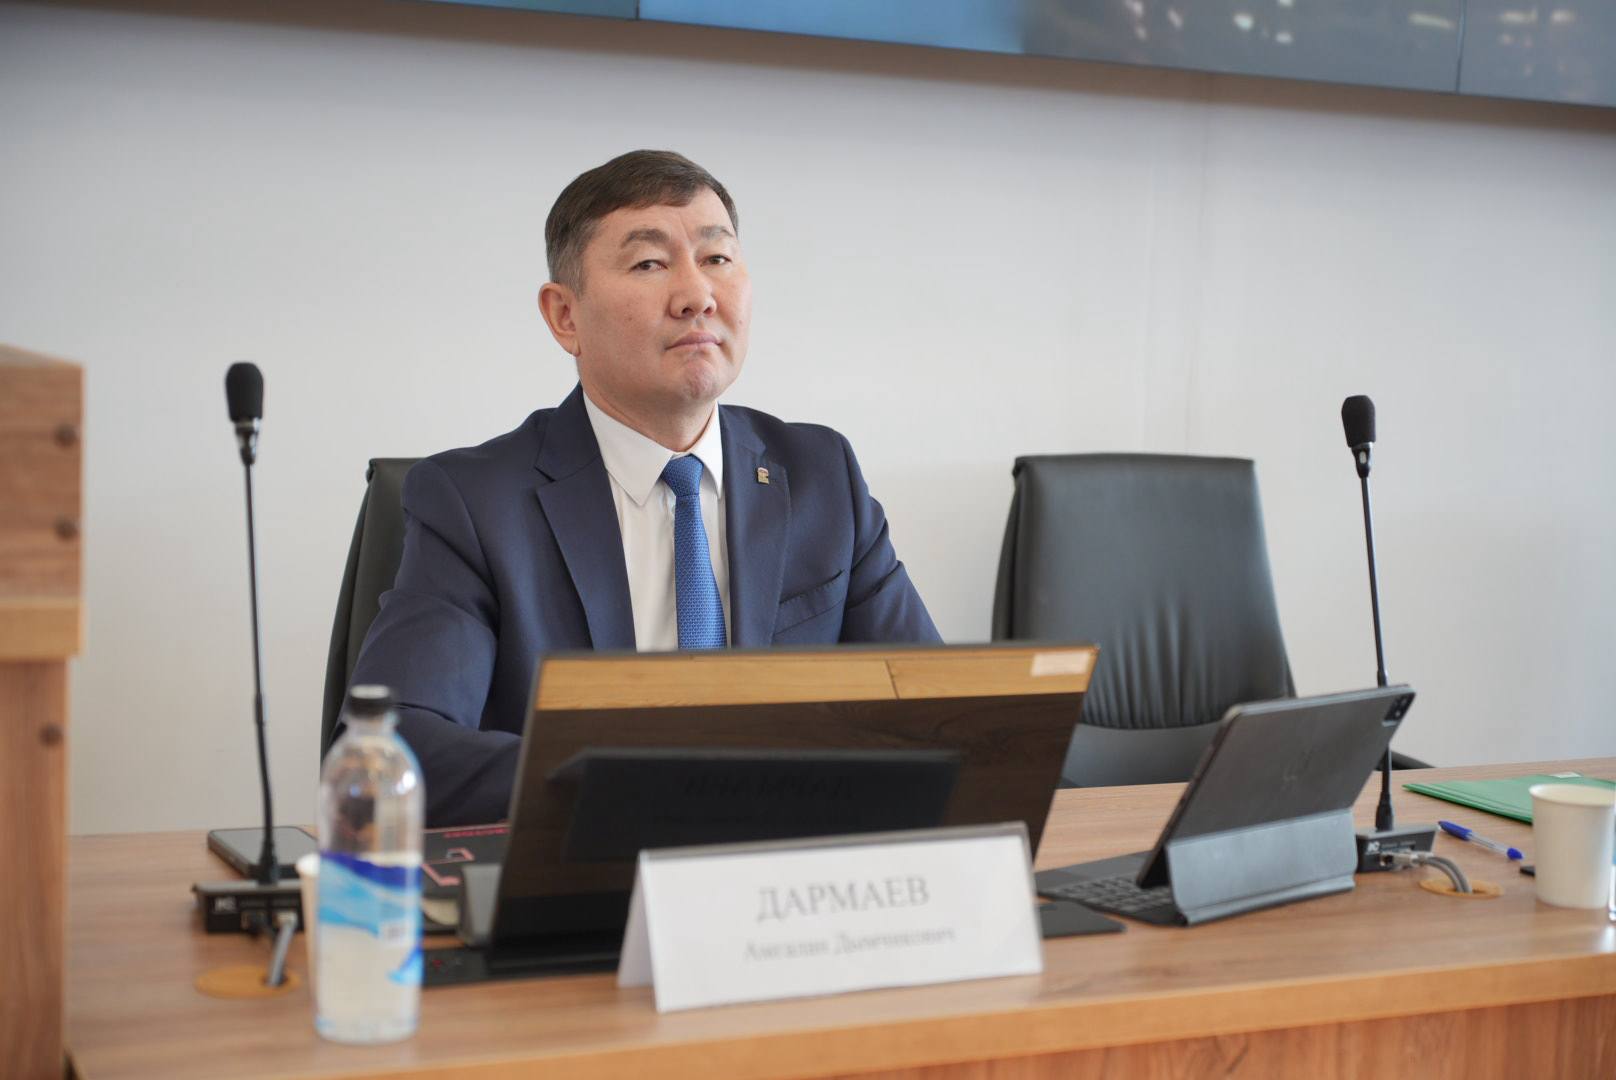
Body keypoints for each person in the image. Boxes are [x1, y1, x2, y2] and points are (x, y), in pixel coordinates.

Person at [348, 150, 940, 825]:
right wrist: (649, 781)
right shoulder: (475, 504)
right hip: (586, 869)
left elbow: (940, 715)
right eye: (650, 264)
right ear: (565, 316)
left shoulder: (820, 475)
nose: (697, 296)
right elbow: (390, 752)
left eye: (717, 258)